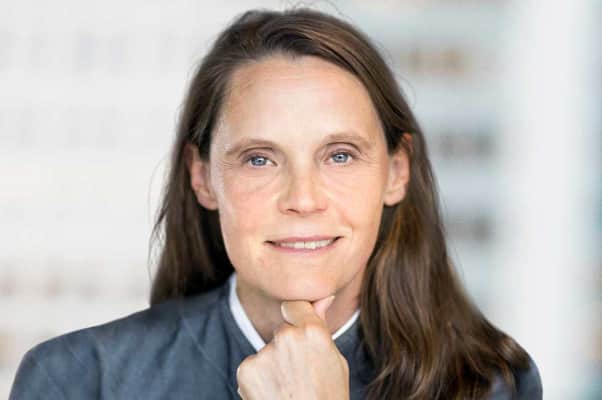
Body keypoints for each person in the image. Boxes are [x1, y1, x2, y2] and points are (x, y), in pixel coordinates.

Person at [9, 7, 543, 400]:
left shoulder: (491, 382)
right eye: (260, 159)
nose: (303, 199)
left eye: (339, 155)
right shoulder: (79, 380)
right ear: (203, 177)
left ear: (396, 172)